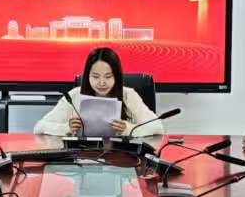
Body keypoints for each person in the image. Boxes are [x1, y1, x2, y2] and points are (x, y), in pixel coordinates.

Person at [34, 46, 165, 138]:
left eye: (108, 76)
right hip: (82, 158)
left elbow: (158, 127)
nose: (102, 83)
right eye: (95, 77)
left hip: (122, 159)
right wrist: (66, 128)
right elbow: (39, 127)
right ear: (87, 76)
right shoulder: (74, 96)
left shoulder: (128, 95)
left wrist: (128, 129)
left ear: (117, 76)